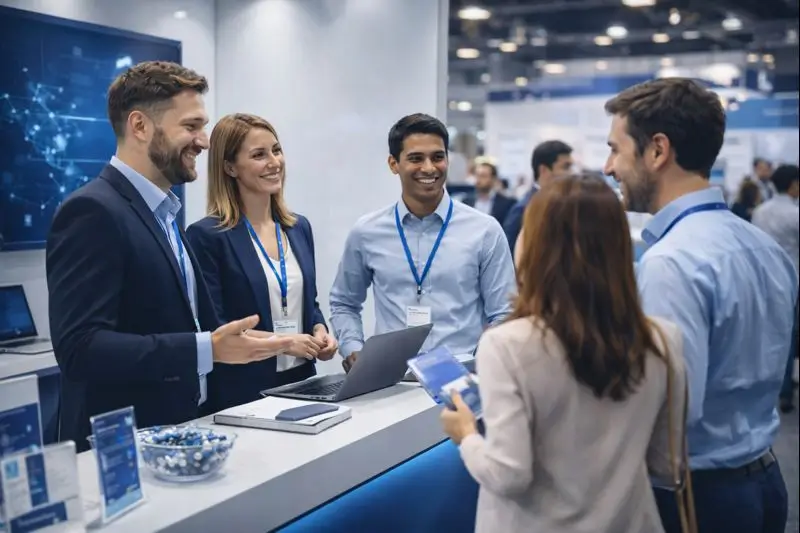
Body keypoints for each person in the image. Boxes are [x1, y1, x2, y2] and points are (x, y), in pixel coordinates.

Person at [46, 61, 292, 450]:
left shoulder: (163, 213)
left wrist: (251, 343)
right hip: (122, 449)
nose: (204, 141)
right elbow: (80, 348)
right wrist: (205, 349)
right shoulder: (92, 211)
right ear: (140, 126)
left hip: (179, 434)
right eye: (191, 126)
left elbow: (177, 321)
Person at [440, 173, 687, 533]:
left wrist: (466, 435)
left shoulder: (506, 345)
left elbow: (508, 475)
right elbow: (667, 465)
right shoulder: (663, 339)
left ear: (538, 246)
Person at [604, 77, 798, 533]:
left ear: (657, 150)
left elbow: (670, 409)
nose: (609, 167)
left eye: (615, 149)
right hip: (764, 479)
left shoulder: (671, 263)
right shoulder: (763, 246)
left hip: (696, 496)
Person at [329, 113, 516, 372]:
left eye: (437, 157)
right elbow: (344, 302)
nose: (429, 168)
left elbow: (504, 312)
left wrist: (481, 360)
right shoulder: (367, 232)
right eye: (416, 158)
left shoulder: (485, 231)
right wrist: (353, 348)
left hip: (460, 378)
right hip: (389, 379)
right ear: (393, 164)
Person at [186, 114, 337, 413]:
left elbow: (308, 303)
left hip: (302, 384)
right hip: (241, 394)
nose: (274, 162)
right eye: (259, 155)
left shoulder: (298, 228)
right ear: (230, 167)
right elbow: (216, 328)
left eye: (276, 150)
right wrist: (283, 342)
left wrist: (320, 330)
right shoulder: (207, 236)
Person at [752, 164, 800, 413]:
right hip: (793, 281)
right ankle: (786, 391)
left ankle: (775, 386)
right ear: (792, 184)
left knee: (772, 335)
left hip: (765, 280)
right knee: (790, 335)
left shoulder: (760, 212)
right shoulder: (795, 214)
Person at [502, 140, 573, 252]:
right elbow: (508, 253)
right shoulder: (524, 208)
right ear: (544, 170)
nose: (571, 173)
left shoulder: (563, 203)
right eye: (565, 167)